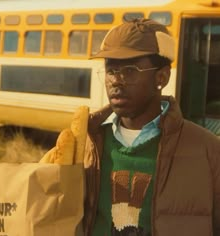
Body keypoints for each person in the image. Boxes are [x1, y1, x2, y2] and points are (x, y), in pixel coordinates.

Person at [82, 18, 220, 236]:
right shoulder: (86, 144)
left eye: (129, 70)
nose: (115, 81)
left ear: (162, 77)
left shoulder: (208, 151)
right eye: (111, 70)